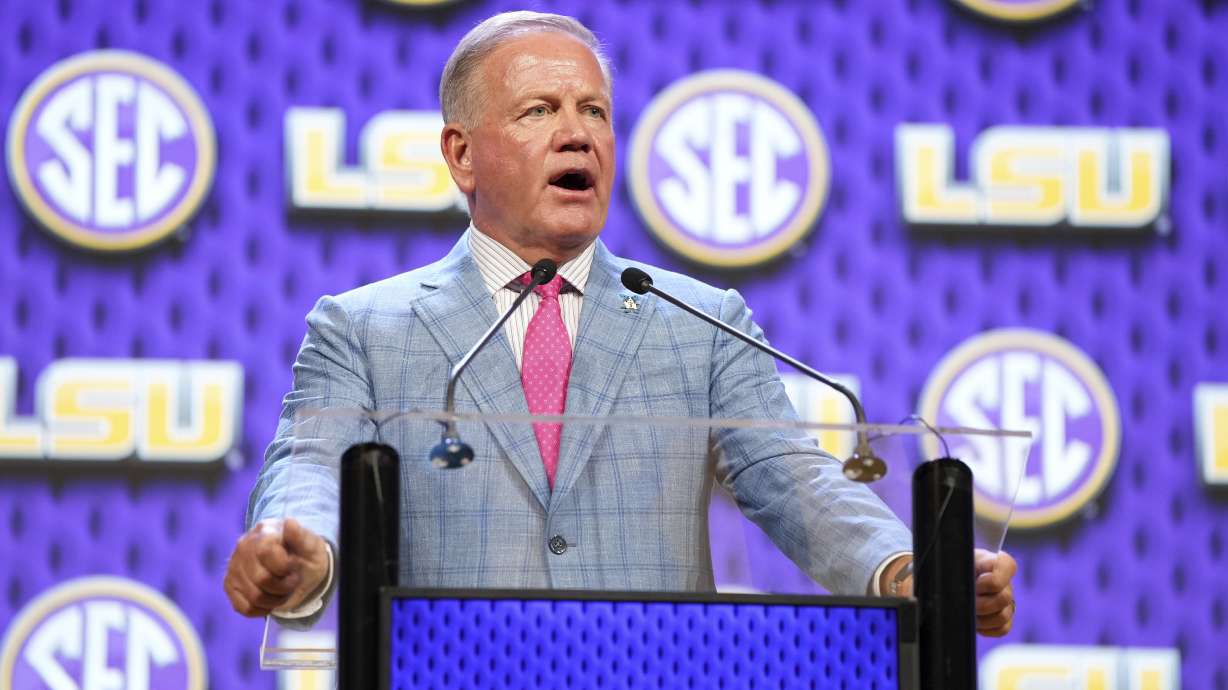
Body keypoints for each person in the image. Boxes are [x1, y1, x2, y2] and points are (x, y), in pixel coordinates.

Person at [223, 11, 1017, 637]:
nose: (577, 133)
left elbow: (795, 482)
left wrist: (909, 569)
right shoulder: (364, 328)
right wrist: (300, 551)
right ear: (462, 155)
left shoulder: (703, 322)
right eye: (539, 110)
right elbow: (311, 467)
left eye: (594, 111)